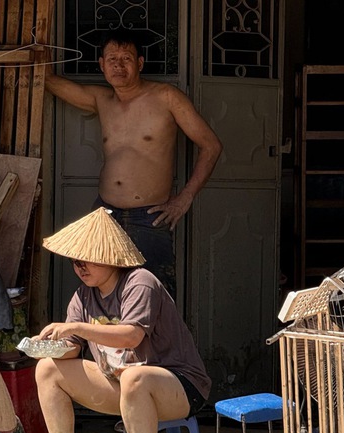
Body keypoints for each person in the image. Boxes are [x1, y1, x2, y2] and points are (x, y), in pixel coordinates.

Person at [45, 28, 223, 299]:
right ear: (101, 65)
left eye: (126, 58)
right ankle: (104, 342)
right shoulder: (101, 99)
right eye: (112, 59)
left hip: (148, 217)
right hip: (105, 214)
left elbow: (211, 145)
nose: (118, 65)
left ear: (139, 63)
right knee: (101, 294)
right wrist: (36, 51)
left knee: (153, 297)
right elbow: (49, 81)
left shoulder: (166, 97)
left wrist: (185, 198)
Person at [34, 207, 212, 433]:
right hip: (120, 385)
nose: (80, 267)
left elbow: (131, 336)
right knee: (47, 368)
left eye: (87, 259)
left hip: (179, 386)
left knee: (134, 378)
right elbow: (72, 350)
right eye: (75, 261)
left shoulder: (140, 282)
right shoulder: (82, 296)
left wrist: (79, 328)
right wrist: (47, 346)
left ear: (110, 257)